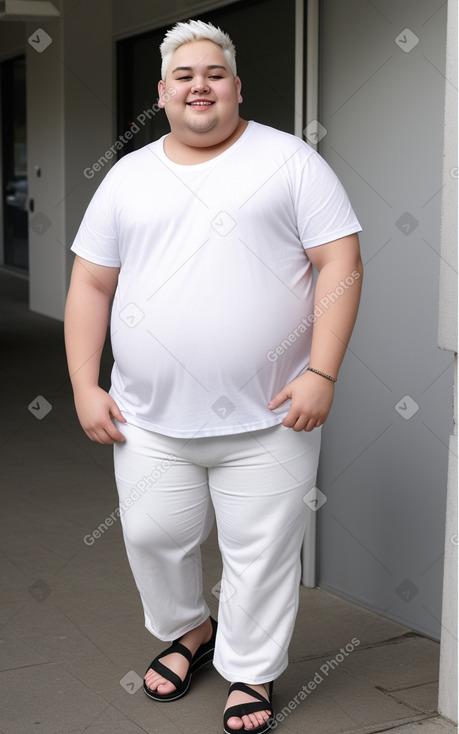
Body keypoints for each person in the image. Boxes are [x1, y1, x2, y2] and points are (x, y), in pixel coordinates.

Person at [64, 19, 363, 734]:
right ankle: (190, 633)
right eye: (185, 75)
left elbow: (340, 264)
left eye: (215, 73)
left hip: (271, 413)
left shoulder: (289, 161)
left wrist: (322, 370)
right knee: (151, 537)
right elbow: (90, 286)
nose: (201, 85)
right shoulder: (127, 176)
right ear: (163, 92)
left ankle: (250, 671)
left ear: (236, 86)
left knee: (258, 553)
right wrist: (83, 383)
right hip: (145, 417)